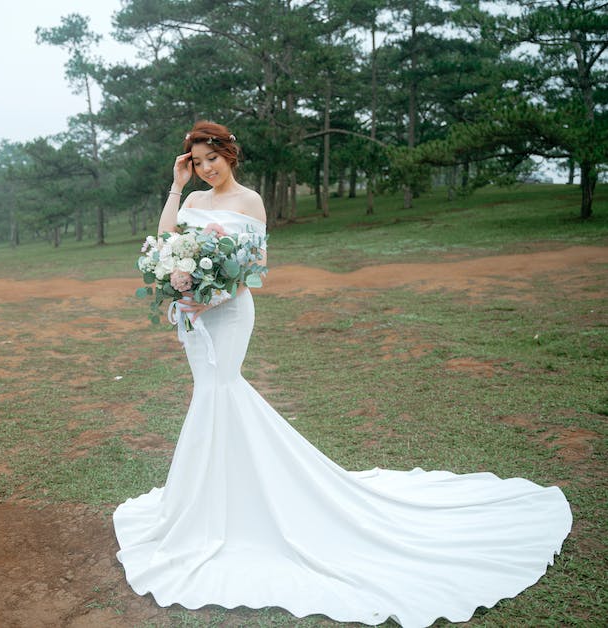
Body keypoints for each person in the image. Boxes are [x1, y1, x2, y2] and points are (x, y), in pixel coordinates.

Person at [112, 120, 572, 627]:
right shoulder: (193, 202)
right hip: (192, 319)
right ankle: (206, 503)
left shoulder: (250, 202)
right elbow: (165, 240)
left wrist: (210, 296)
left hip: (228, 313)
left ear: (230, 154)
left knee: (221, 391)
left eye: (211, 157)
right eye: (197, 162)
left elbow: (256, 268)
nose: (206, 167)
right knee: (211, 396)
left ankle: (229, 507)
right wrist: (177, 190)